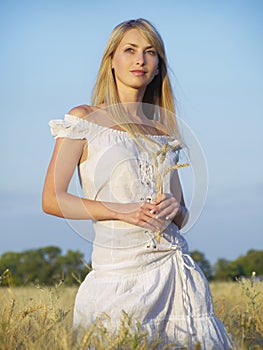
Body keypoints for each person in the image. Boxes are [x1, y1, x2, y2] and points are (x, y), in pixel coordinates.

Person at [42, 18, 234, 349]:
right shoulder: (84, 119)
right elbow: (52, 199)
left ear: (159, 66)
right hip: (118, 276)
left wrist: (176, 208)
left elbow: (182, 214)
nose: (140, 60)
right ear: (111, 60)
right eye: (129, 50)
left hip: (175, 276)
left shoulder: (163, 132)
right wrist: (121, 210)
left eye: (150, 52)